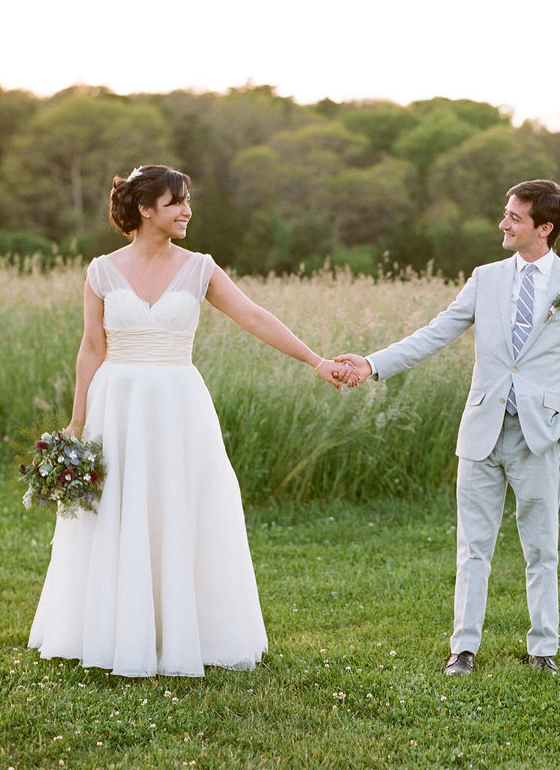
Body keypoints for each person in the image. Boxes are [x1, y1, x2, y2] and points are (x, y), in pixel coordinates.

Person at [29, 163, 354, 677]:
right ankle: (116, 631)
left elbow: (254, 316)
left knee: (180, 505)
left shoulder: (200, 267)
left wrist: (315, 361)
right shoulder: (102, 271)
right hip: (118, 404)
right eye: (177, 202)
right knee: (119, 509)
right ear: (144, 208)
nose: (187, 211)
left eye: (188, 201)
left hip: (179, 404)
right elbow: (91, 349)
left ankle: (184, 631)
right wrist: (77, 423)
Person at [337, 179, 560, 677]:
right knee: (473, 547)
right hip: (481, 430)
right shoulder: (485, 278)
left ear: (544, 228)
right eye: (505, 214)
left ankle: (542, 650)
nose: (503, 223)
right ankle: (462, 649)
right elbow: (436, 332)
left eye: (514, 217)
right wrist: (371, 364)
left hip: (542, 435)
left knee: (542, 548)